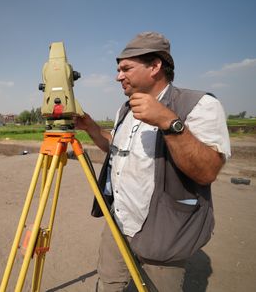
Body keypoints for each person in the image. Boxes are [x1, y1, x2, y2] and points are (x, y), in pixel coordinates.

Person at [75, 32, 231, 291]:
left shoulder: (199, 105)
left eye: (126, 68)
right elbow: (116, 148)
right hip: (120, 221)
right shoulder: (125, 109)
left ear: (155, 66)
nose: (118, 76)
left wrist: (169, 123)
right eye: (118, 69)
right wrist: (91, 128)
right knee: (109, 283)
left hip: (166, 232)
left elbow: (208, 171)